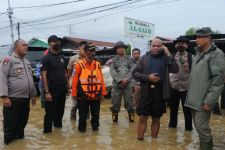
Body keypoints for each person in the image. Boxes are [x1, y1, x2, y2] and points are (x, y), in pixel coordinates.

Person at [185, 27, 225, 150]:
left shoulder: (216, 54)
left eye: (199, 37)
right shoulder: (199, 53)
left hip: (203, 100)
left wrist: (209, 101)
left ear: (208, 38)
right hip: (193, 98)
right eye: (196, 37)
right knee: (198, 128)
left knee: (203, 130)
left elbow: (218, 81)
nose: (196, 40)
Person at [132, 38, 178, 140]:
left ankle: (154, 143)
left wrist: (169, 54)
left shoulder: (166, 58)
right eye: (154, 45)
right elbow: (134, 74)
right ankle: (140, 141)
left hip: (160, 92)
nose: (156, 48)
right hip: (146, 92)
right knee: (143, 117)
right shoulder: (144, 58)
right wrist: (148, 77)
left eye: (158, 46)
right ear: (150, 46)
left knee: (156, 118)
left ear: (162, 46)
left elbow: (175, 69)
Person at [0, 39, 36, 144]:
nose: (26, 47)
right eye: (23, 45)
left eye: (27, 45)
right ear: (16, 47)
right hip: (13, 99)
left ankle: (20, 145)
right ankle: (9, 145)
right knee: (10, 126)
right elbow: (2, 78)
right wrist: (5, 97)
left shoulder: (27, 62)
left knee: (22, 124)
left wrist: (33, 95)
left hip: (26, 99)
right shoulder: (8, 60)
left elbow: (30, 79)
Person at [71, 43, 107, 132]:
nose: (93, 53)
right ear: (86, 52)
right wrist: (74, 93)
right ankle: (81, 134)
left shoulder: (98, 64)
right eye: (90, 51)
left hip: (96, 95)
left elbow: (101, 79)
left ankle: (95, 132)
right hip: (83, 95)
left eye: (94, 51)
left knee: (96, 116)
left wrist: (103, 92)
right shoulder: (79, 65)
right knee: (82, 117)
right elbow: (75, 80)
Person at [40, 35, 69, 133]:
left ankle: (58, 134)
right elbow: (43, 75)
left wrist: (68, 87)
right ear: (50, 44)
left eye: (58, 41)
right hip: (52, 91)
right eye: (55, 41)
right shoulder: (46, 58)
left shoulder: (62, 57)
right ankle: (47, 134)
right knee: (50, 113)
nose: (58, 43)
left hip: (62, 90)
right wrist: (47, 92)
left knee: (60, 113)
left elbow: (65, 74)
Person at [168, 36, 193, 131]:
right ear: (175, 45)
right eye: (178, 43)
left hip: (186, 87)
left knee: (187, 111)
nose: (180, 45)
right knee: (173, 110)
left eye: (183, 43)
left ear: (186, 45)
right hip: (173, 86)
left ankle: (188, 130)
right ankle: (172, 129)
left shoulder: (191, 56)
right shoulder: (171, 56)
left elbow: (194, 72)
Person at [110, 41, 135, 123]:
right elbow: (112, 71)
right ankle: (114, 122)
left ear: (124, 49)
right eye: (119, 48)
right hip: (117, 84)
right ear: (116, 50)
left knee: (129, 102)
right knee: (115, 103)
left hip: (128, 84)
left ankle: (131, 122)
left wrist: (126, 80)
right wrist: (120, 80)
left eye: (122, 47)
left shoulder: (130, 59)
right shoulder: (113, 60)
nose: (121, 49)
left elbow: (132, 70)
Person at [67, 41, 87, 120]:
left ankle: (86, 120)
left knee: (86, 104)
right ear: (79, 48)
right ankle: (73, 119)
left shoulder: (88, 58)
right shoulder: (73, 59)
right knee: (75, 104)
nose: (85, 51)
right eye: (83, 49)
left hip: (86, 84)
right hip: (75, 85)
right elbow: (69, 71)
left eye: (86, 49)